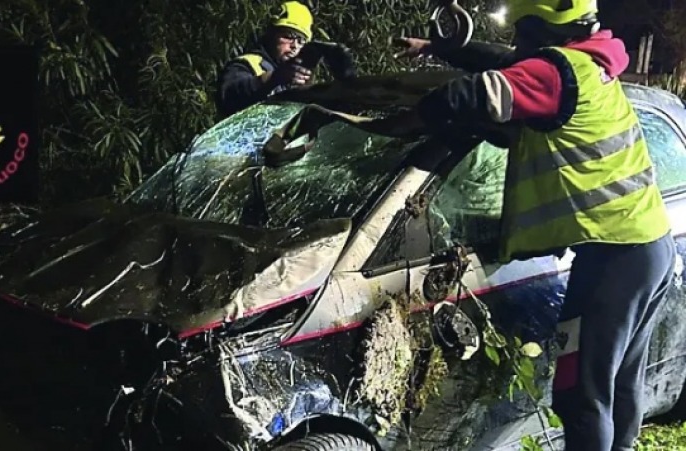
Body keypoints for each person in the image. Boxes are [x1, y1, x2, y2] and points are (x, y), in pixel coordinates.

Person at [273, 1, 677, 449]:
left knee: (580, 394)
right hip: (647, 248)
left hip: (612, 260)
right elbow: (503, 62)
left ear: (539, 27)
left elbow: (464, 96)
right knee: (618, 382)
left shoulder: (554, 75)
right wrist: (439, 49)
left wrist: (392, 126)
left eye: (523, 34)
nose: (518, 45)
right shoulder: (588, 63)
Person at [214, 1, 356, 119]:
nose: (294, 46)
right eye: (288, 36)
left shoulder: (296, 81)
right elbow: (229, 95)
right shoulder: (248, 64)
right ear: (271, 34)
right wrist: (273, 78)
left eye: (301, 41)